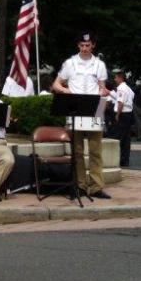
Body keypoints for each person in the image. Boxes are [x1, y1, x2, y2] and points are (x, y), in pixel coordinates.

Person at [52, 32, 111, 198]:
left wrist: (103, 91)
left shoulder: (99, 64)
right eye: (82, 45)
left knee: (95, 150)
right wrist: (66, 90)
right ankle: (80, 185)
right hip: (75, 107)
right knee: (77, 150)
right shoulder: (70, 63)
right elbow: (56, 84)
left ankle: (96, 186)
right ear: (78, 46)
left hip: (94, 107)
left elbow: (102, 86)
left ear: (93, 45)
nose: (85, 48)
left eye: (88, 45)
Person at [107, 71, 134, 167]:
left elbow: (120, 102)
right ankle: (124, 160)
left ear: (120, 78)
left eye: (115, 78)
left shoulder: (121, 89)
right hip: (128, 114)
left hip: (122, 114)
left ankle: (118, 159)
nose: (114, 80)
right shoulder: (128, 88)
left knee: (118, 137)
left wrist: (117, 114)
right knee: (126, 139)